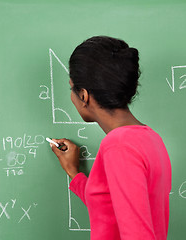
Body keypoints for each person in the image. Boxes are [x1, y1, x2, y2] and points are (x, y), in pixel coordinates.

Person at [49, 36, 172, 240]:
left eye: (72, 88)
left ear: (84, 95)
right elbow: (113, 208)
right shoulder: (150, 138)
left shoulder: (119, 145)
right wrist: (74, 173)